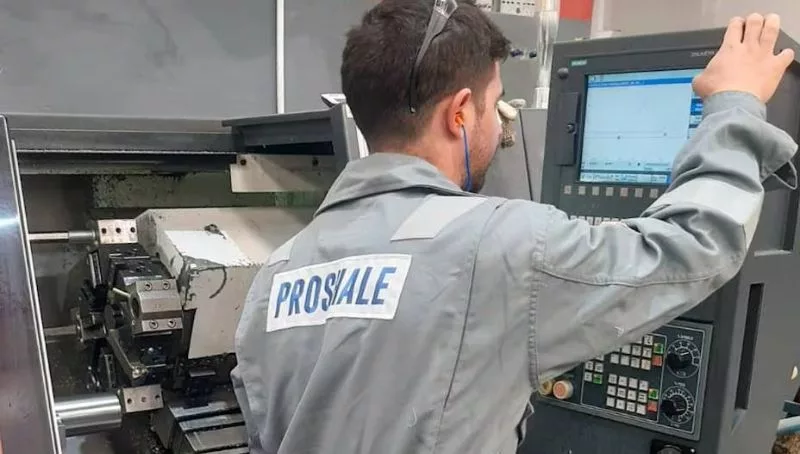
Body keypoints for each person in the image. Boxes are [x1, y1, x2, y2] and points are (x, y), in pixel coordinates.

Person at [232, 1, 798, 452]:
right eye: (495, 103)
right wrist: (735, 106)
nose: (500, 127)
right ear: (459, 112)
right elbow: (695, 244)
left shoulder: (275, 275)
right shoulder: (496, 245)